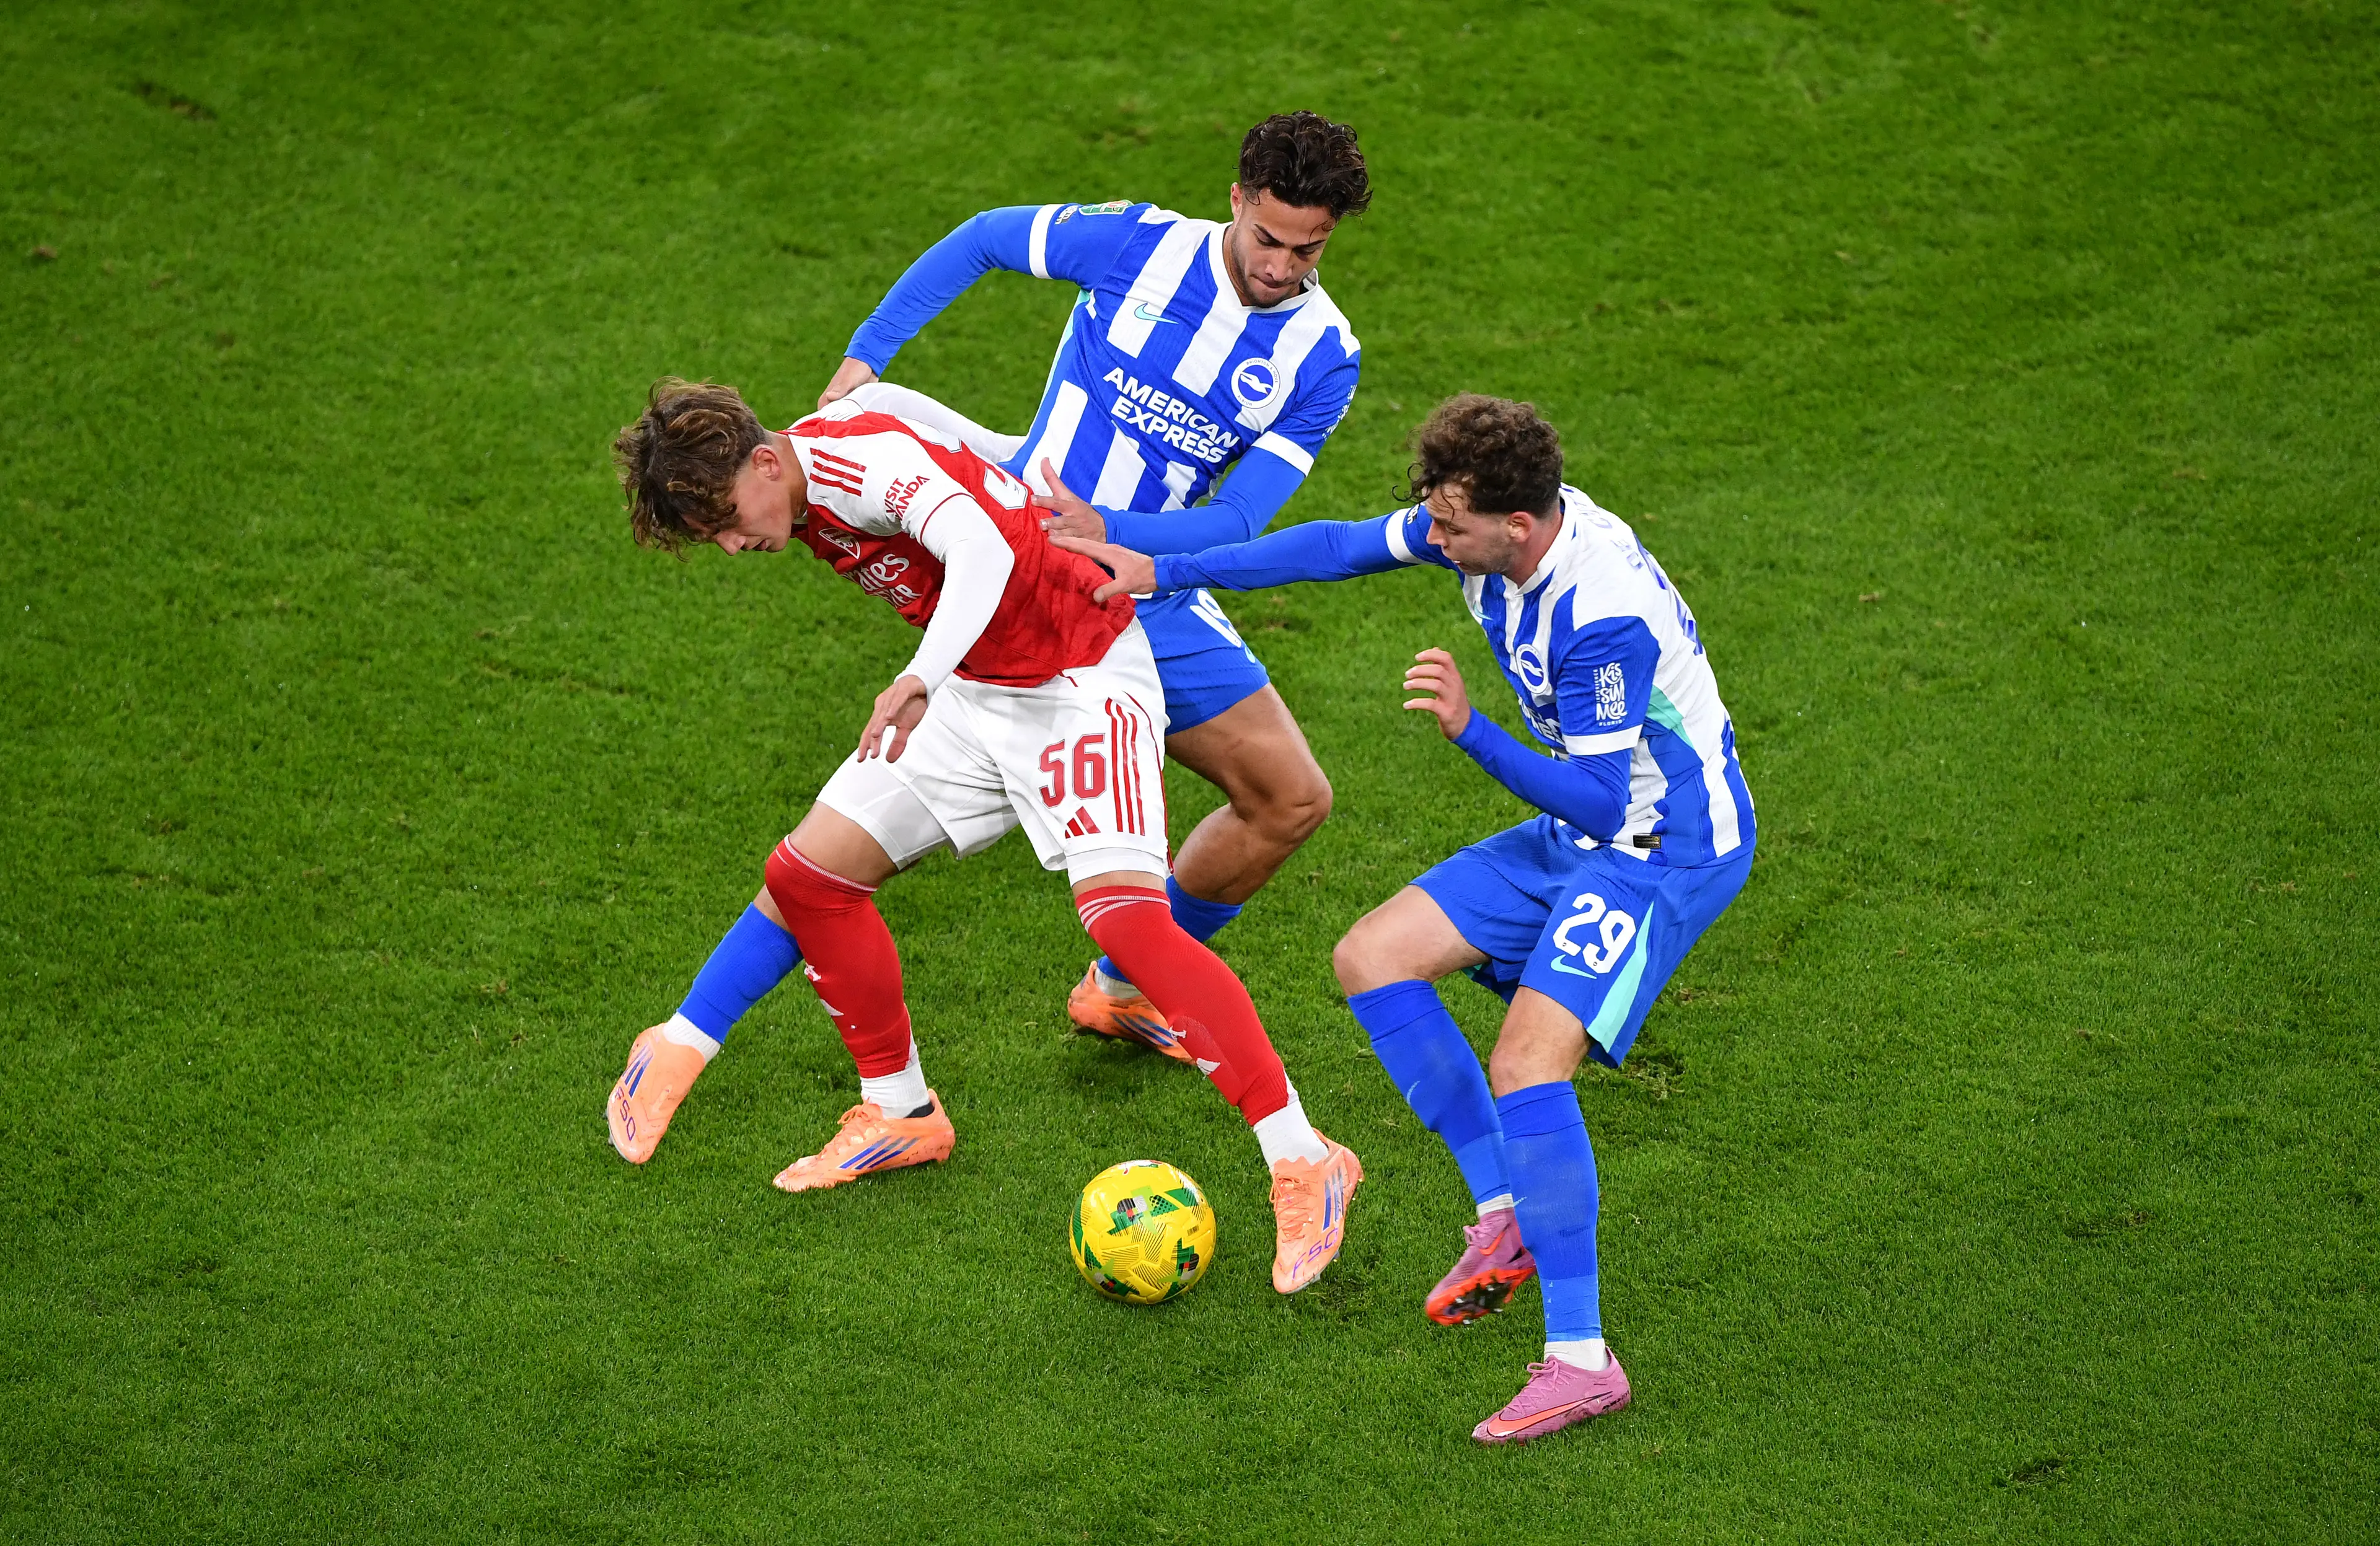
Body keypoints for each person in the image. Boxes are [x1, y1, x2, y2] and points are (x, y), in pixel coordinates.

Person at [1053, 395, 1756, 1438]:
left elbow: (1606, 800)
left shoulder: (1598, 618)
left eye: (1449, 524)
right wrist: (1160, 566)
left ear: (1516, 525)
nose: (1433, 537)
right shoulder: (1488, 533)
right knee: (1373, 956)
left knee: (1528, 1064)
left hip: (1661, 850)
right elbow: (1337, 547)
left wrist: (1472, 730)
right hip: (1586, 836)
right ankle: (1503, 1214)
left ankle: (1581, 1358)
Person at [601, 378, 1362, 1296]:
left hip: (1078, 677)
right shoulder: (813, 454)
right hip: (980, 688)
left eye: (726, 519)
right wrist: (1010, 454)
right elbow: (912, 409)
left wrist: (922, 672)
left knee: (1129, 926)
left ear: (766, 462)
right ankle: (895, 1108)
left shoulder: (851, 465)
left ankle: (1307, 1156)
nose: (733, 543)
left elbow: (978, 549)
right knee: (811, 876)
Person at [813, 110, 1370, 1061]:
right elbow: (984, 238)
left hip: (1150, 582)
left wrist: (1117, 534)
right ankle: (802, 1013)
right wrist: (868, 355)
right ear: (1235, 201)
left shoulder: (1325, 355)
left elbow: (1241, 520)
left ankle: (1121, 988)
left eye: (1308, 250)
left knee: (1290, 797)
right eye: (1268, 238)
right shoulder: (1140, 245)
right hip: (1022, 564)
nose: (1282, 267)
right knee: (878, 830)